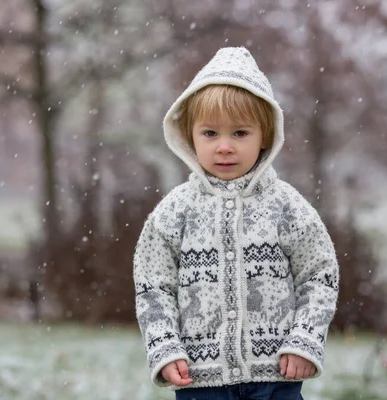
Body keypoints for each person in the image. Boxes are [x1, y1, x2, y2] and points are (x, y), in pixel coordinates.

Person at [133, 46, 339, 400]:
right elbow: (153, 286)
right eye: (210, 133)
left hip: (277, 376)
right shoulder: (174, 211)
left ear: (266, 137)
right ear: (190, 136)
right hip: (200, 381)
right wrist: (164, 347)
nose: (224, 147)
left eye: (240, 133)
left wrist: (304, 339)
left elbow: (319, 274)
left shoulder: (286, 206)